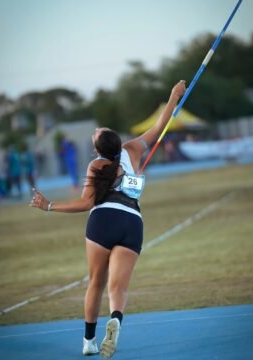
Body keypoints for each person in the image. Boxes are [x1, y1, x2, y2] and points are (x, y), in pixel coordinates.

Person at [30, 80, 187, 359]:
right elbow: (161, 125)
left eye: (96, 132)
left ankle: (89, 342)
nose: (95, 131)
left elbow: (86, 203)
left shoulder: (96, 165)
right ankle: (115, 319)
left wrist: (49, 205)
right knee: (119, 287)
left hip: (103, 222)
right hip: (132, 222)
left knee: (96, 284)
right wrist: (174, 95)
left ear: (98, 148)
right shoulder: (133, 149)